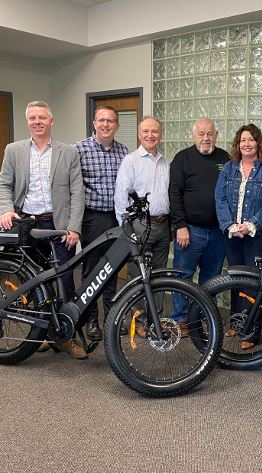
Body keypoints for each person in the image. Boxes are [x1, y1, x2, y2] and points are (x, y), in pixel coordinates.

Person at [0, 100, 87, 359]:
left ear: (51, 121)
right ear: (28, 121)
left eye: (42, 117)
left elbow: (77, 193)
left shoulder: (67, 152)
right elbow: (3, 185)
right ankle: (44, 334)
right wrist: (5, 209)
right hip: (28, 225)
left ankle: (68, 337)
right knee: (35, 282)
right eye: (33, 118)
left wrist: (73, 228)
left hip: (58, 226)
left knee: (65, 280)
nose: (38, 121)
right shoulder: (14, 150)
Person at [215, 124, 262, 350]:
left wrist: (251, 225)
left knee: (252, 284)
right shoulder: (229, 168)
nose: (247, 144)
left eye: (251, 139)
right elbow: (220, 198)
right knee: (235, 280)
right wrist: (231, 225)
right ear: (238, 144)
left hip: (257, 234)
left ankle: (250, 332)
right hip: (232, 234)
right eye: (243, 140)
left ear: (258, 143)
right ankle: (236, 321)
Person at [72, 106, 128, 341]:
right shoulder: (78, 149)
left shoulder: (124, 152)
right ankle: (91, 320)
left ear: (117, 125)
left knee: (112, 269)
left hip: (116, 218)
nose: (106, 124)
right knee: (92, 271)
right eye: (101, 120)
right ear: (94, 123)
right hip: (91, 218)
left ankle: (112, 318)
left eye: (110, 121)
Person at [169, 118, 230, 330]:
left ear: (216, 134)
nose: (206, 138)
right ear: (194, 135)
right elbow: (174, 195)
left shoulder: (226, 158)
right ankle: (180, 318)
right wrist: (180, 226)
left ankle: (207, 315)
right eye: (201, 134)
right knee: (183, 276)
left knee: (211, 278)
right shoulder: (182, 158)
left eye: (210, 134)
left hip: (217, 232)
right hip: (190, 230)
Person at [114, 116, 170, 338]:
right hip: (139, 225)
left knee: (159, 276)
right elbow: (120, 197)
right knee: (138, 276)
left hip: (162, 225)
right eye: (146, 131)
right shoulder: (131, 161)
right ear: (139, 134)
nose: (150, 135)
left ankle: (155, 319)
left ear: (160, 135)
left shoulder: (166, 162)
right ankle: (139, 321)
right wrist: (126, 229)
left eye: (155, 131)